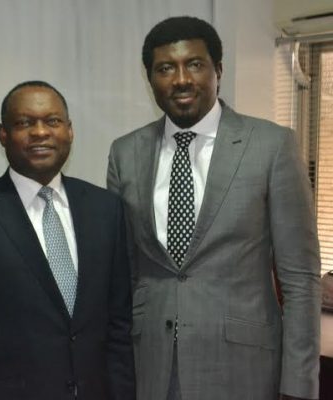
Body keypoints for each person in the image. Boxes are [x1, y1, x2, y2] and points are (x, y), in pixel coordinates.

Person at [107, 16, 321, 400]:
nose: (181, 79)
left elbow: (300, 279)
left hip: (243, 368)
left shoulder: (271, 146)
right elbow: (125, 272)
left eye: (194, 64)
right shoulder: (125, 153)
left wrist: (299, 384)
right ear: (150, 78)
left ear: (218, 70)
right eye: (165, 68)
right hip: (150, 366)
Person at [0, 81, 134, 400]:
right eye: (25, 123)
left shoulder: (106, 209)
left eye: (52, 121)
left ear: (69, 131)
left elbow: (119, 326)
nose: (40, 132)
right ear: (3, 134)